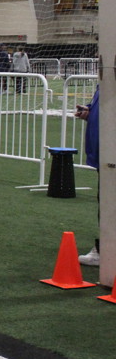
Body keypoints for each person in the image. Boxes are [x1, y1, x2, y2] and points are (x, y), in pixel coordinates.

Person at [77, 85, 101, 266]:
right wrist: (89, 112)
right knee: (106, 200)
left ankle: (105, 250)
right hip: (104, 154)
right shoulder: (105, 81)